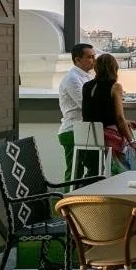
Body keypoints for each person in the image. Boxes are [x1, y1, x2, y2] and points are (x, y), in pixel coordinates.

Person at [81, 53, 136, 173]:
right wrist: (132, 142)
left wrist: (126, 122)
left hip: (88, 137)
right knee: (130, 148)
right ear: (114, 68)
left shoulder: (86, 86)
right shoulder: (115, 87)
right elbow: (119, 118)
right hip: (107, 138)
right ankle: (127, 179)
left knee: (125, 131)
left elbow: (97, 113)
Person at [57, 43, 97, 181]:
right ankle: (68, 201)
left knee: (95, 167)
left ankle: (85, 197)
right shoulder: (72, 78)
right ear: (77, 59)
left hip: (83, 131)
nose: (93, 60)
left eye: (94, 56)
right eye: (90, 57)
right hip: (72, 131)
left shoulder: (87, 77)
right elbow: (86, 105)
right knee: (74, 171)